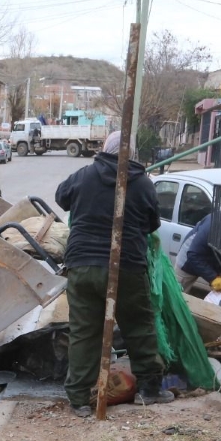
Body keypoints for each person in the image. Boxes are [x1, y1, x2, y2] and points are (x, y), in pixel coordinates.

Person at [55, 129, 172, 417]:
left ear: (105, 149)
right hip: (126, 266)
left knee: (84, 332)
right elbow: (152, 223)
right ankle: (149, 389)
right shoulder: (143, 184)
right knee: (138, 327)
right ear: (131, 153)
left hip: (82, 265)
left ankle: (79, 398)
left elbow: (62, 197)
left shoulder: (84, 175)